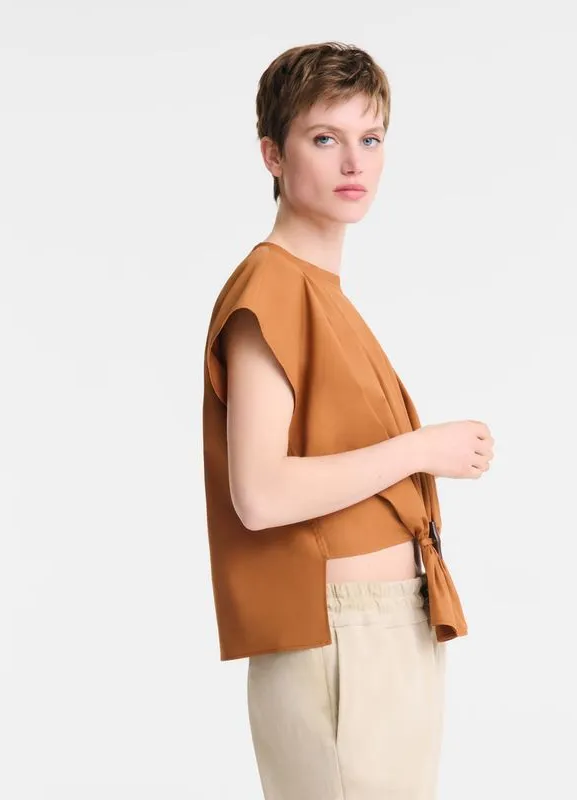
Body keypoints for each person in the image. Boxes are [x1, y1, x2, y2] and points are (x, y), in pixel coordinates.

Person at [201, 41, 495, 800]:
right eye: (325, 138)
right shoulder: (273, 286)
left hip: (379, 632)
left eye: (371, 137)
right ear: (273, 153)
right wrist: (420, 449)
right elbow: (260, 493)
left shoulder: (318, 291)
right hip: (341, 637)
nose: (354, 162)